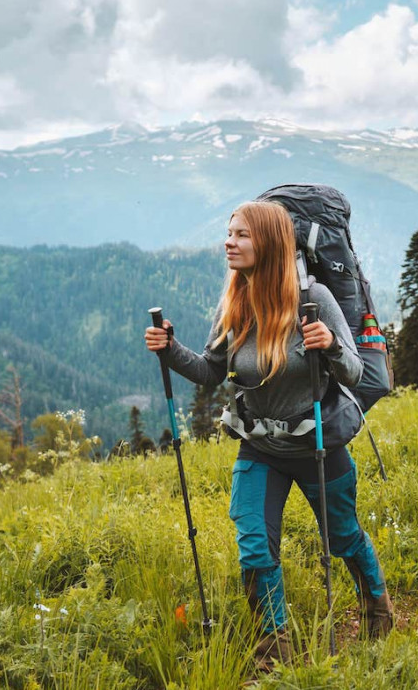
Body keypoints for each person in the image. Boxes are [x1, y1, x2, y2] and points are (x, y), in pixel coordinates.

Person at [144, 201, 393, 671]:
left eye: (240, 235)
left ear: (270, 244)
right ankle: (273, 655)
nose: (228, 242)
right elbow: (210, 371)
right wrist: (171, 349)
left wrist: (332, 345)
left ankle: (377, 610)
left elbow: (355, 371)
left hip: (318, 444)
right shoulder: (235, 302)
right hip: (259, 446)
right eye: (228, 232)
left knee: (342, 539)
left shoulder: (313, 298)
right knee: (256, 546)